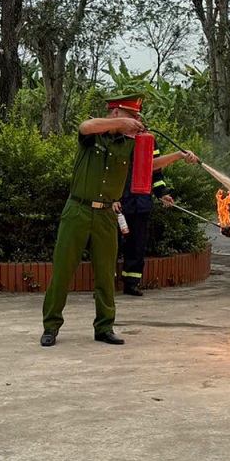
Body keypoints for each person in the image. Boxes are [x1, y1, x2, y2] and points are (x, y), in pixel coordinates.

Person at [40, 93, 197, 347]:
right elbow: (84, 126)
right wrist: (118, 125)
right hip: (77, 210)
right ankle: (51, 326)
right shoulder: (95, 133)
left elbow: (149, 166)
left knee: (105, 274)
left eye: (137, 117)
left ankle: (104, 327)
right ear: (115, 113)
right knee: (62, 271)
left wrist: (178, 156)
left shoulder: (130, 144)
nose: (136, 121)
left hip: (106, 214)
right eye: (131, 116)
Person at [115, 143, 175, 296]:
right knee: (110, 246)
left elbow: (155, 173)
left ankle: (132, 283)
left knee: (138, 245)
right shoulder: (116, 139)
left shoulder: (149, 142)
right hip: (118, 203)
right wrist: (111, 198)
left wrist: (162, 193)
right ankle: (105, 284)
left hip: (141, 203)